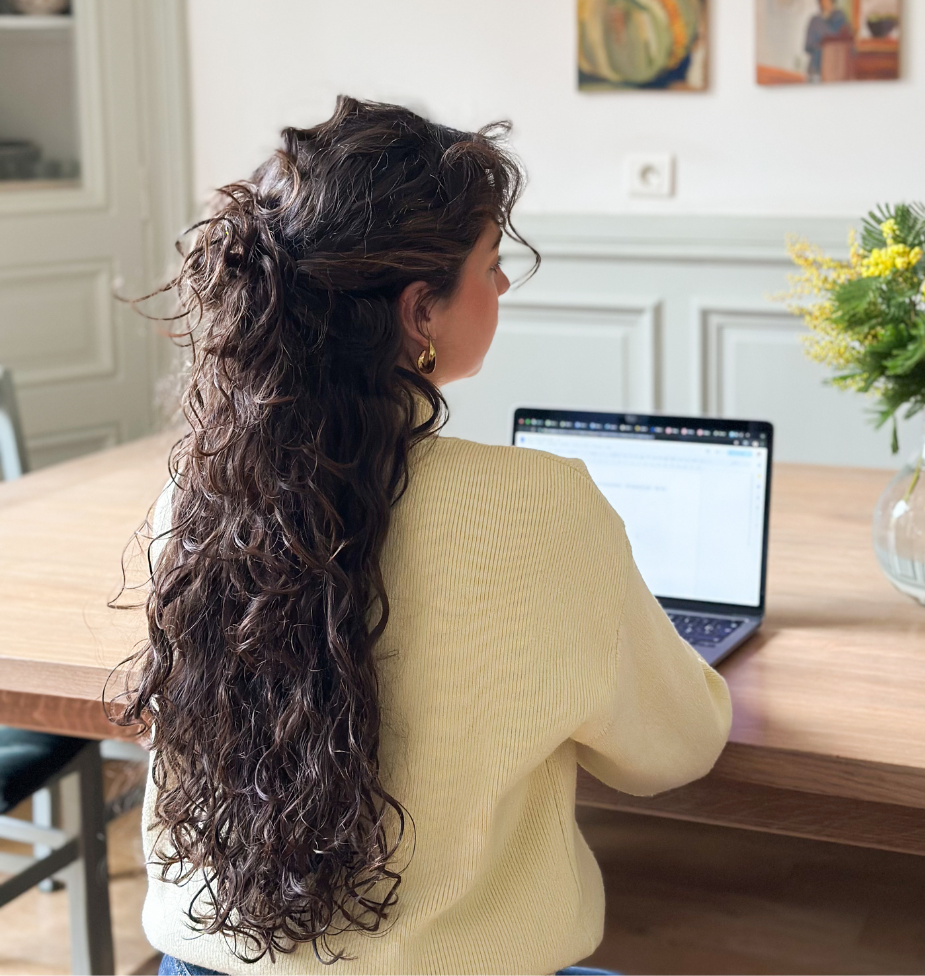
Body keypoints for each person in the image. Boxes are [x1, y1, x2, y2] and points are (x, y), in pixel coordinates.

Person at [120, 97, 732, 976]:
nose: (503, 285)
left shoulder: (198, 490)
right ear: (421, 312)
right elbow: (673, 750)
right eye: (490, 263)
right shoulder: (541, 507)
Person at [805, 0, 853, 81]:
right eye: (823, 0)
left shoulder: (840, 17)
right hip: (817, 67)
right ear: (819, 2)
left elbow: (847, 38)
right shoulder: (815, 21)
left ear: (833, 1)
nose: (826, 3)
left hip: (837, 67)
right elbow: (807, 46)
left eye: (828, 0)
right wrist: (820, 45)